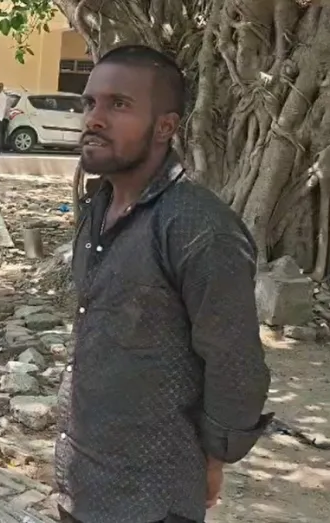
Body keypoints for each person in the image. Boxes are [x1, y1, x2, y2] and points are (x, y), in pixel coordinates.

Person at [57, 44, 272, 523]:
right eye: (90, 102)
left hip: (153, 496)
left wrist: (215, 456)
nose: (94, 119)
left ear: (165, 127)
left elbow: (235, 362)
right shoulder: (96, 210)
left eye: (119, 104)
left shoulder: (198, 227)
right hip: (82, 480)